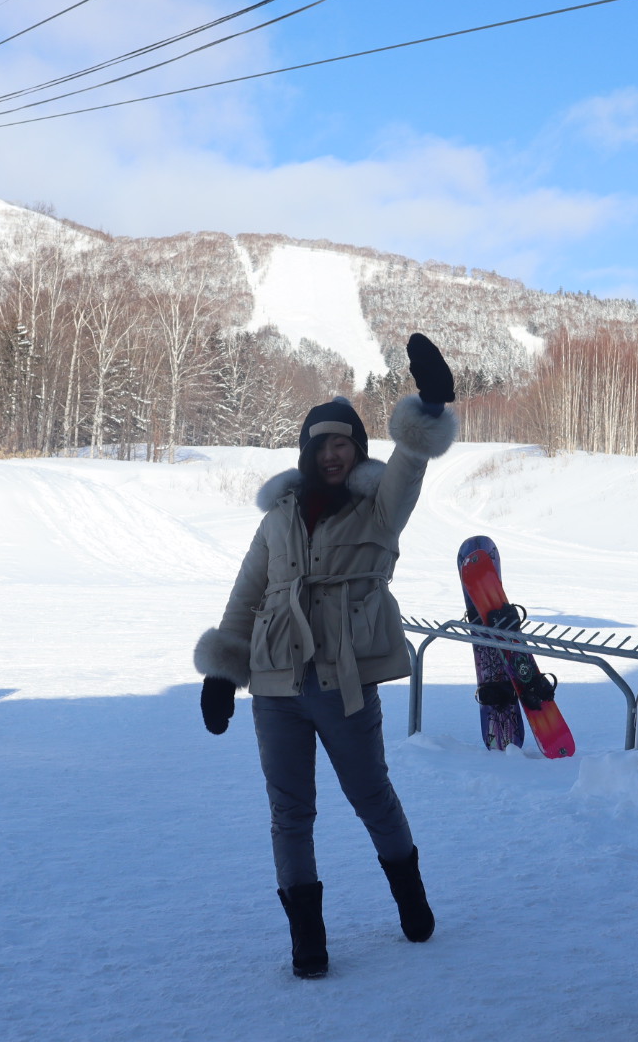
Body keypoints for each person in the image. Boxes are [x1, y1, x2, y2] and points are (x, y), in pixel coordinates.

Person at [193, 333, 458, 980]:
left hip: (345, 678)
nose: (334, 453)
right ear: (307, 452)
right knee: (289, 811)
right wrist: (225, 675)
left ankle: (411, 900)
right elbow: (249, 592)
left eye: (345, 442)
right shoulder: (278, 517)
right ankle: (307, 940)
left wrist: (427, 405)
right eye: (323, 443)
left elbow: (410, 467)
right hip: (276, 680)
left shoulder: (379, 508)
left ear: (357, 450)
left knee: (372, 795)